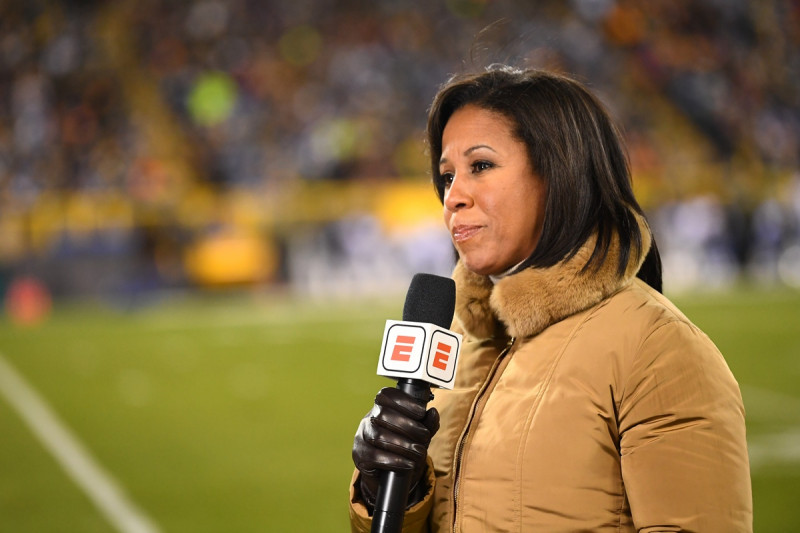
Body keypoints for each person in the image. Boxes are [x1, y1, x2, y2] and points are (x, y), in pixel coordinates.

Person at [349, 65, 753, 532]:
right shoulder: (457, 343)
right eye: (446, 176)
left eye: (480, 166)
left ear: (559, 173)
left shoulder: (658, 350)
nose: (453, 196)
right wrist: (391, 491)